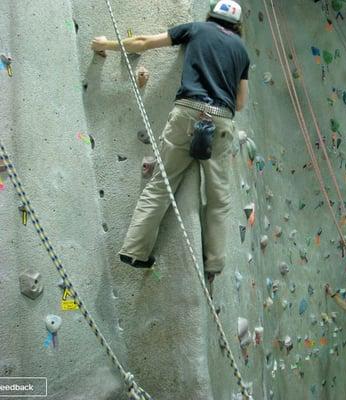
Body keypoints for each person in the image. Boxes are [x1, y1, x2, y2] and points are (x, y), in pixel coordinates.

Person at [90, 1, 250, 285]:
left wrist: (105, 44)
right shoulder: (241, 51)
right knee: (217, 199)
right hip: (222, 121)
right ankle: (213, 264)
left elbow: (143, 42)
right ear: (236, 25)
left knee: (161, 185)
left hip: (187, 112)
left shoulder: (195, 29)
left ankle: (135, 251)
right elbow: (240, 102)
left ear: (211, 15)